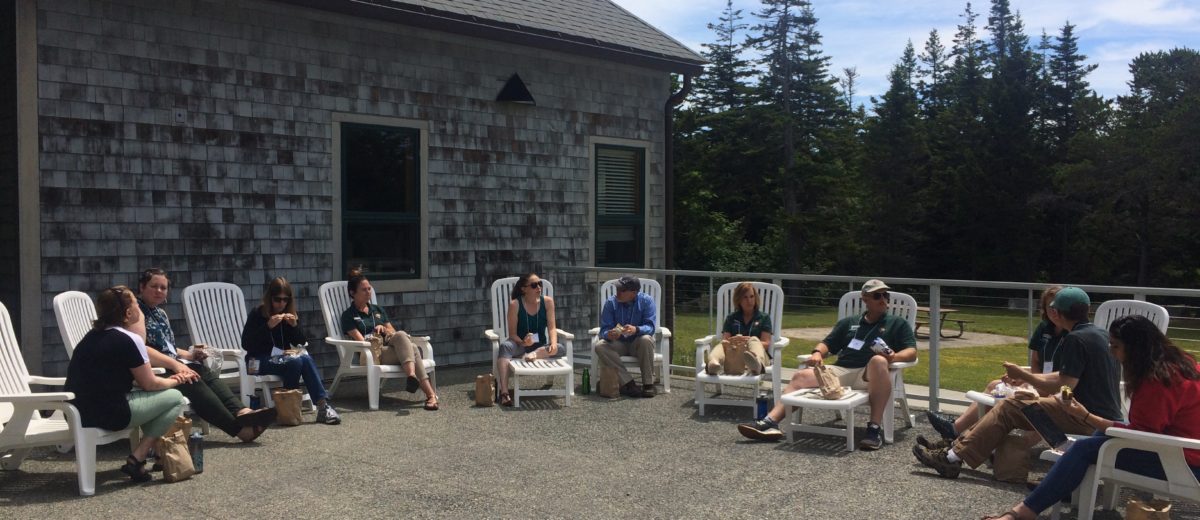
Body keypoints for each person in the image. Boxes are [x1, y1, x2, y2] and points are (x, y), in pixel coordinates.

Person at [981, 315, 1200, 520]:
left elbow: (1138, 435)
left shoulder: (1157, 381)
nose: (1110, 350)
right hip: (1185, 452)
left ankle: (1023, 512)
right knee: (1092, 442)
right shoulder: (1183, 364)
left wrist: (1083, 415)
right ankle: (1062, 485)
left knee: (1084, 449)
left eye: (1115, 345)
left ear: (1136, 349)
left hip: (1183, 463)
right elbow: (1146, 429)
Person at [913, 286, 1125, 478]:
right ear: (1087, 309)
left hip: (1086, 418)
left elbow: (1064, 384)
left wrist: (1025, 377)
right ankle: (953, 450)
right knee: (1015, 402)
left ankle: (951, 457)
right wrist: (1026, 378)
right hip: (1101, 417)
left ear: (1055, 313)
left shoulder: (1075, 339)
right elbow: (1067, 378)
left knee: (1011, 405)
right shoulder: (1098, 334)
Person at [739, 279, 917, 450]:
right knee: (801, 376)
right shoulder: (849, 323)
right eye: (878, 296)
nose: (884, 299)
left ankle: (873, 430)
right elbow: (827, 344)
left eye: (886, 295)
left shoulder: (897, 323)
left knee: (879, 360)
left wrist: (893, 358)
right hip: (842, 370)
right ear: (865, 299)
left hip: (871, 375)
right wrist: (817, 353)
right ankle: (770, 422)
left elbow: (911, 352)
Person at [137, 268, 276, 442]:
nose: (159, 291)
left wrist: (190, 356)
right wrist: (176, 365)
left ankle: (243, 412)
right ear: (142, 287)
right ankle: (241, 430)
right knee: (193, 379)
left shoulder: (158, 313)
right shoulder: (136, 313)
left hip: (171, 364)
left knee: (203, 372)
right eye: (154, 286)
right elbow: (140, 349)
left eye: (163, 287)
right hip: (152, 371)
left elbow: (168, 348)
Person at [65, 286, 188, 482]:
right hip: (111, 414)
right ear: (128, 313)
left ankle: (147, 458)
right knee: (175, 398)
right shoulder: (130, 339)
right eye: (135, 304)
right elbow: (150, 385)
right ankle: (139, 455)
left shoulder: (89, 338)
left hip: (77, 412)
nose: (139, 308)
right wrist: (175, 380)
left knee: (154, 402)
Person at [922, 285, 1067, 446]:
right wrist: (1026, 377)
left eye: (1058, 307)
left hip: (1060, 388)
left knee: (1017, 400)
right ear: (1044, 309)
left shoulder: (1073, 335)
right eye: (1050, 307)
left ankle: (996, 446)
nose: (1054, 312)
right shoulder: (1044, 329)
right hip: (1040, 381)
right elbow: (1035, 361)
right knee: (995, 386)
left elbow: (1067, 377)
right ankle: (956, 431)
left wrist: (1030, 379)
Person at [241, 277, 340, 424]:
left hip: (281, 359)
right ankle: (288, 408)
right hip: (255, 362)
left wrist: (294, 326)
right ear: (270, 298)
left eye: (285, 300)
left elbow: (300, 342)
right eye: (277, 299)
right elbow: (246, 344)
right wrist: (267, 326)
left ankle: (322, 406)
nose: (281, 303)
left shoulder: (288, 314)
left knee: (303, 359)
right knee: (295, 362)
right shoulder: (258, 314)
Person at [340, 267, 439, 410]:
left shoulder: (377, 310)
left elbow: (393, 332)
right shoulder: (348, 315)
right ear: (352, 293)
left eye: (369, 289)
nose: (368, 292)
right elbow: (361, 341)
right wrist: (375, 335)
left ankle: (412, 377)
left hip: (387, 347)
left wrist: (383, 329)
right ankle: (430, 395)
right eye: (364, 290)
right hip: (371, 353)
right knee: (412, 348)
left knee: (402, 336)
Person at [496, 273, 562, 406]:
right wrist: (523, 342)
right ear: (523, 289)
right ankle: (504, 392)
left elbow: (552, 328)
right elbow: (512, 334)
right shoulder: (515, 304)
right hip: (520, 345)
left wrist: (553, 343)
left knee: (561, 348)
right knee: (505, 347)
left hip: (540, 347)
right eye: (533, 285)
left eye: (540, 284)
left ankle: (535, 354)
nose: (538, 287)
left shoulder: (548, 302)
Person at [594, 275, 658, 398]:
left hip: (637, 344)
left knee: (646, 339)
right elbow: (603, 330)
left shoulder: (646, 301)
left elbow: (651, 328)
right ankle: (629, 383)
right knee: (600, 346)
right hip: (619, 343)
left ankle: (648, 384)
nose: (617, 292)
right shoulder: (610, 303)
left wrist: (636, 329)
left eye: (622, 290)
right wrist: (609, 334)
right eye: (617, 289)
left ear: (634, 292)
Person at [705, 282, 772, 376]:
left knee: (754, 339)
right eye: (745, 297)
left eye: (752, 296)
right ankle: (713, 364)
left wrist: (748, 341)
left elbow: (766, 343)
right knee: (723, 343)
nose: (749, 300)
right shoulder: (731, 318)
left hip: (758, 354)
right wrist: (735, 340)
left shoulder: (763, 318)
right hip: (735, 357)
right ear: (738, 300)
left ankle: (757, 364)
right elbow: (726, 340)